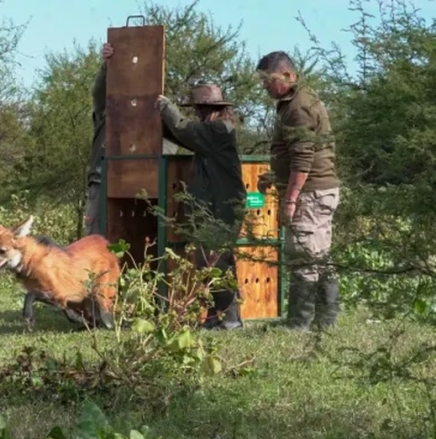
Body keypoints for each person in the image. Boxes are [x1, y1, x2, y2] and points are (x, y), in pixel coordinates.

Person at [255, 50, 341, 331]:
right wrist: (275, 175)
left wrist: (290, 199)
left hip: (310, 193)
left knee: (303, 252)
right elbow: (297, 154)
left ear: (289, 76)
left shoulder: (297, 106)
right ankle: (324, 321)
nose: (265, 86)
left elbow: (303, 158)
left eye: (269, 80)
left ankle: (299, 323)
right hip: (318, 187)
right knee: (319, 254)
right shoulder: (295, 100)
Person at [155, 82, 247, 330]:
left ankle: (228, 319)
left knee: (217, 260)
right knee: (213, 260)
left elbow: (186, 131)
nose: (196, 112)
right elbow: (183, 134)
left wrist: (167, 107)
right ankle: (219, 317)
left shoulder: (219, 130)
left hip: (223, 207)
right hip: (218, 205)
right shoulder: (212, 132)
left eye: (198, 109)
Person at [84, 42, 178, 236]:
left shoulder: (158, 118)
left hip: (144, 186)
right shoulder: (108, 111)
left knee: (141, 242)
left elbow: (172, 145)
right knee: (96, 242)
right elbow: (99, 92)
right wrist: (108, 65)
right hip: (103, 181)